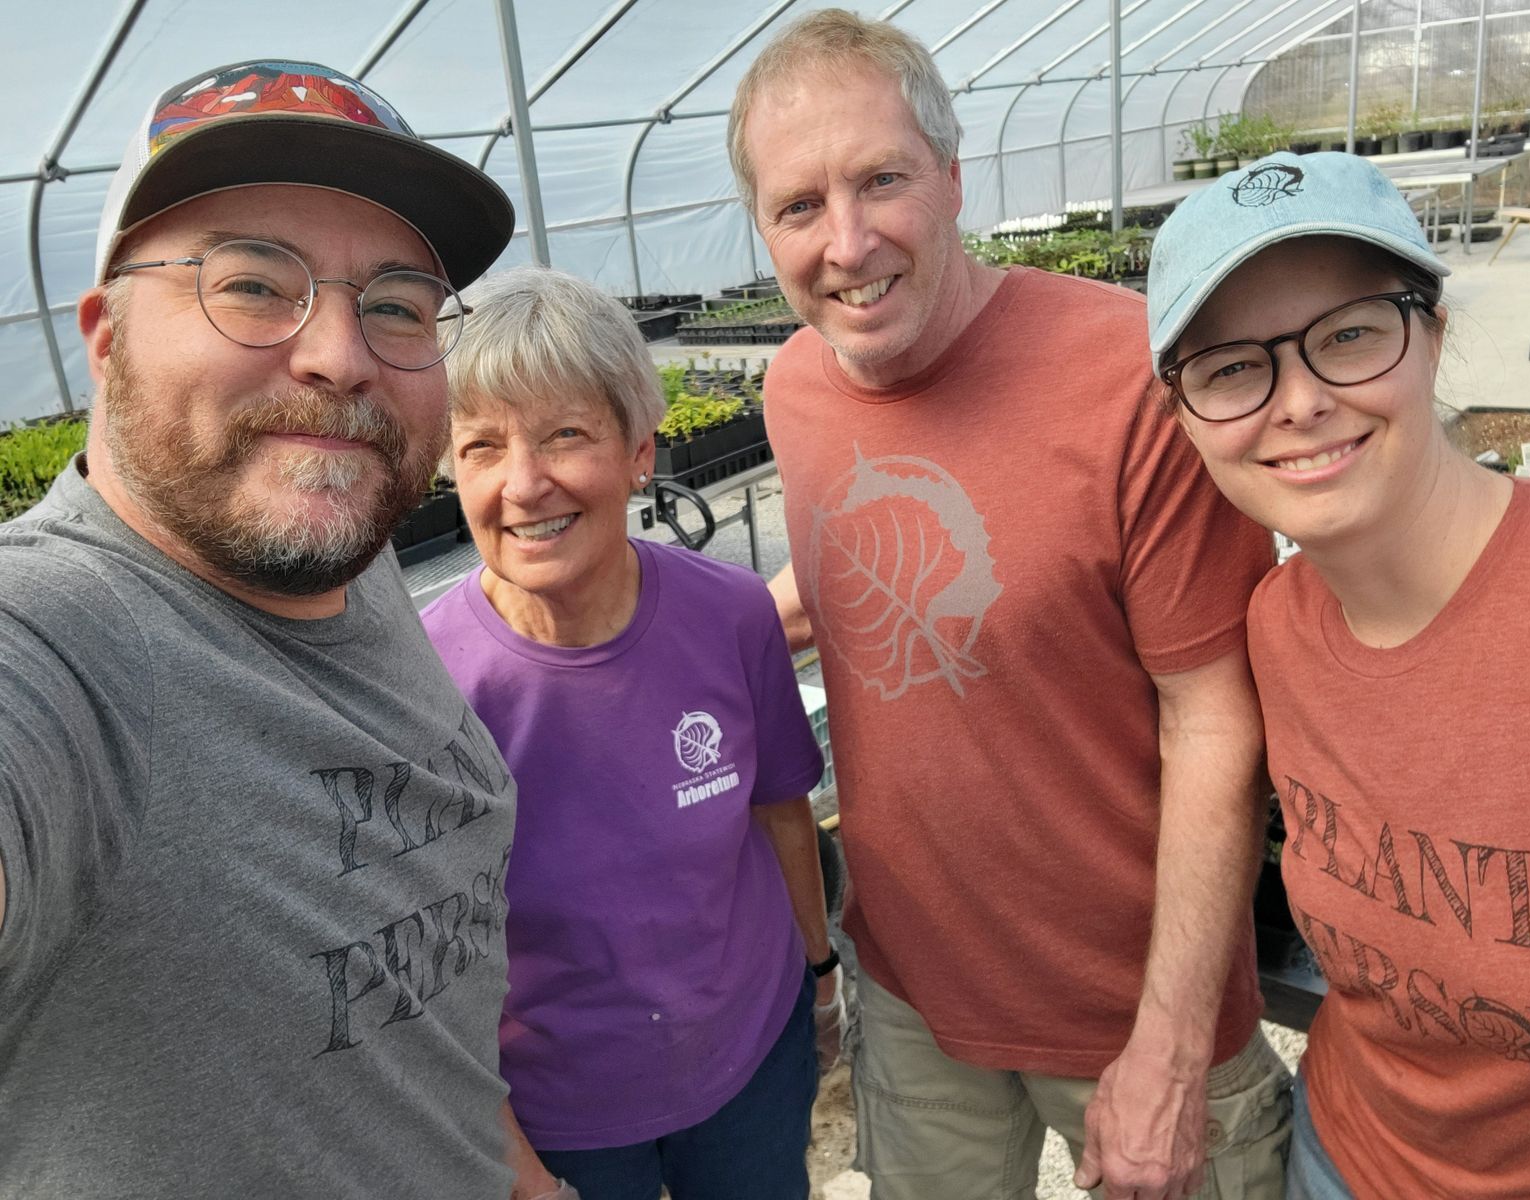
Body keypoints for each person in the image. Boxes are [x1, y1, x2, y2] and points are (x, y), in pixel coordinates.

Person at [727, 11, 1293, 1200]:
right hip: (917, 996)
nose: (845, 241)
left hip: (1128, 1008)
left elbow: (1216, 717)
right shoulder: (792, 387)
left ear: (950, 176)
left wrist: (1173, 1050)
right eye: (796, 206)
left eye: (880, 180)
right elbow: (842, 584)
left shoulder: (1125, 380)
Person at [0, 61, 527, 1198]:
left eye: (394, 305)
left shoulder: (349, 549)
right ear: (103, 339)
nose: (338, 356)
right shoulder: (61, 648)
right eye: (250, 283)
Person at [1147, 150, 1530, 1200]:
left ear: (1431, 336)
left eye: (1348, 335)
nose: (1299, 401)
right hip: (1341, 1159)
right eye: (1231, 368)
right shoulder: (1276, 629)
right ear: (1184, 418)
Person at [419, 264, 835, 1200]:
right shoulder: (427, 685)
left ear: (641, 452)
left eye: (566, 434)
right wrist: (520, 1172)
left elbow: (780, 812)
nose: (524, 484)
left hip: (747, 1064)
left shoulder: (729, 617)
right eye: (482, 446)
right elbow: (432, 962)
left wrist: (819, 969)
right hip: (559, 1115)